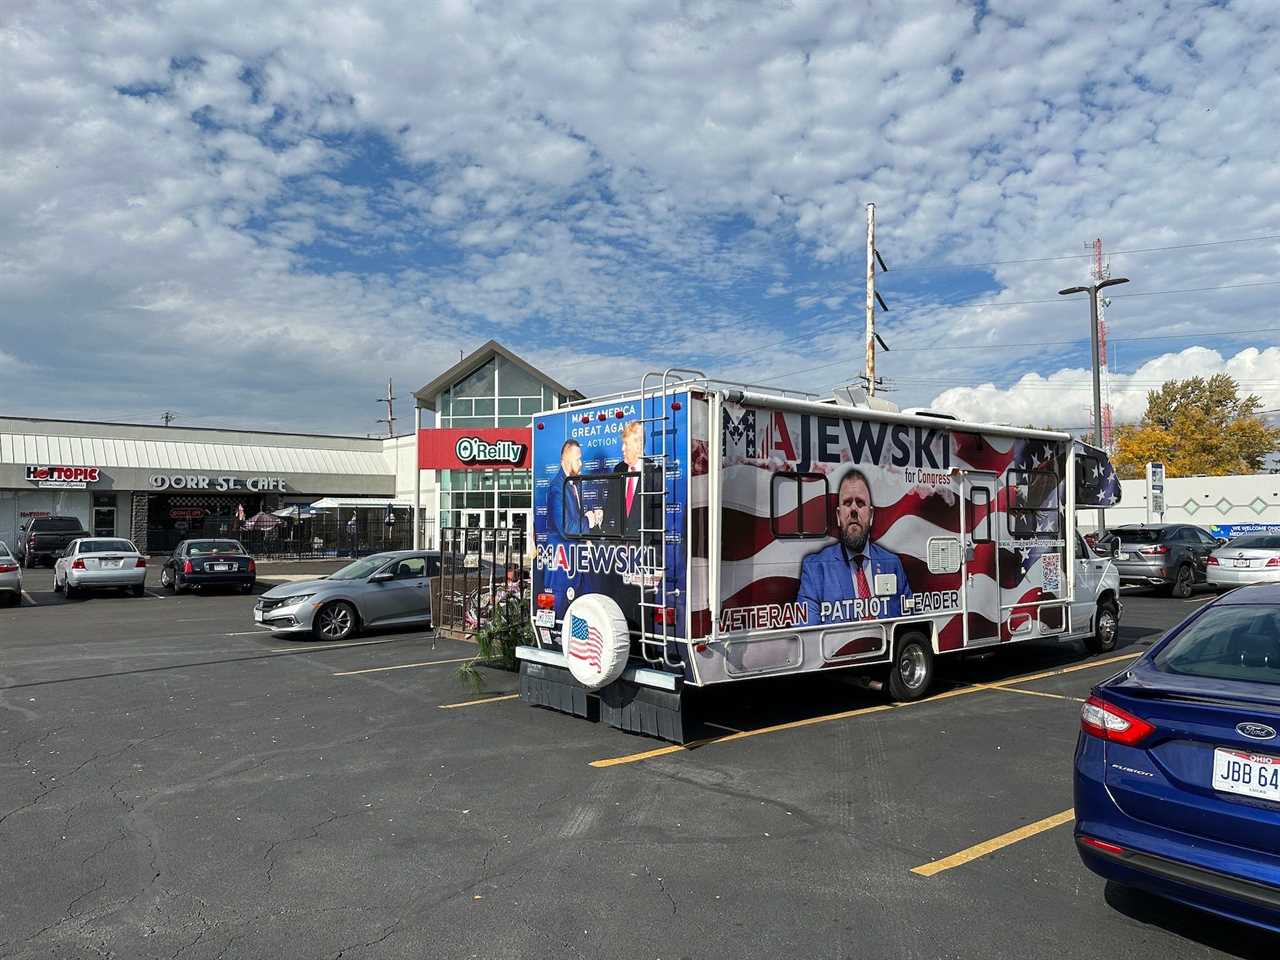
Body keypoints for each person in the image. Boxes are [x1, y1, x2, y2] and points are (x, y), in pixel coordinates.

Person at [797, 469, 912, 625]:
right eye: (847, 503)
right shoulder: (815, 569)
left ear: (871, 516)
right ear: (838, 516)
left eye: (860, 503)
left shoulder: (892, 564)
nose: (853, 510)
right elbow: (807, 634)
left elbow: (909, 620)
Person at [546, 439, 601, 538]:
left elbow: (576, 519)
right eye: (577, 459)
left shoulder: (575, 484)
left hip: (575, 549)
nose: (580, 464)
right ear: (567, 461)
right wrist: (588, 521)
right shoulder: (557, 488)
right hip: (563, 550)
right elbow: (566, 528)